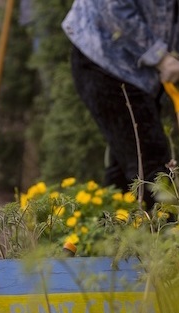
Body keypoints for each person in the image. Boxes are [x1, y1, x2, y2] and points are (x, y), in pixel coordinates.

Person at [62, 0, 179, 208]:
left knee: (127, 175)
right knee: (152, 167)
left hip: (140, 71)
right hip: (106, 65)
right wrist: (161, 58)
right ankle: (166, 235)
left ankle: (110, 234)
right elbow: (113, 9)